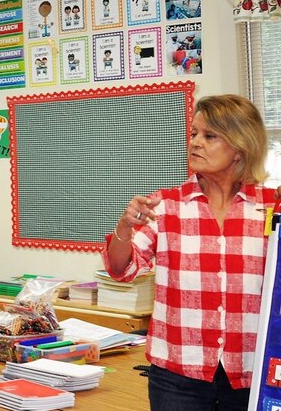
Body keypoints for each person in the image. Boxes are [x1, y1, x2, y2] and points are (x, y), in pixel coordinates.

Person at [102, 94, 274, 411]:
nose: (195, 143)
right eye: (194, 133)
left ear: (240, 147)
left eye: (209, 136)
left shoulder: (271, 208)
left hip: (252, 372)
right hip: (178, 378)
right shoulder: (166, 206)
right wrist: (124, 228)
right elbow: (121, 269)